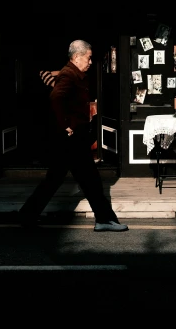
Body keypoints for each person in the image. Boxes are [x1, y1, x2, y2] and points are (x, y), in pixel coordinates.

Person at [19, 40, 128, 232]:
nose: (91, 61)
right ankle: (104, 219)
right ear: (77, 57)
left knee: (66, 180)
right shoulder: (69, 74)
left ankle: (27, 215)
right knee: (87, 180)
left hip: (72, 139)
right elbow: (55, 98)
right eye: (88, 57)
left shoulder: (74, 74)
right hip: (71, 139)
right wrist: (66, 125)